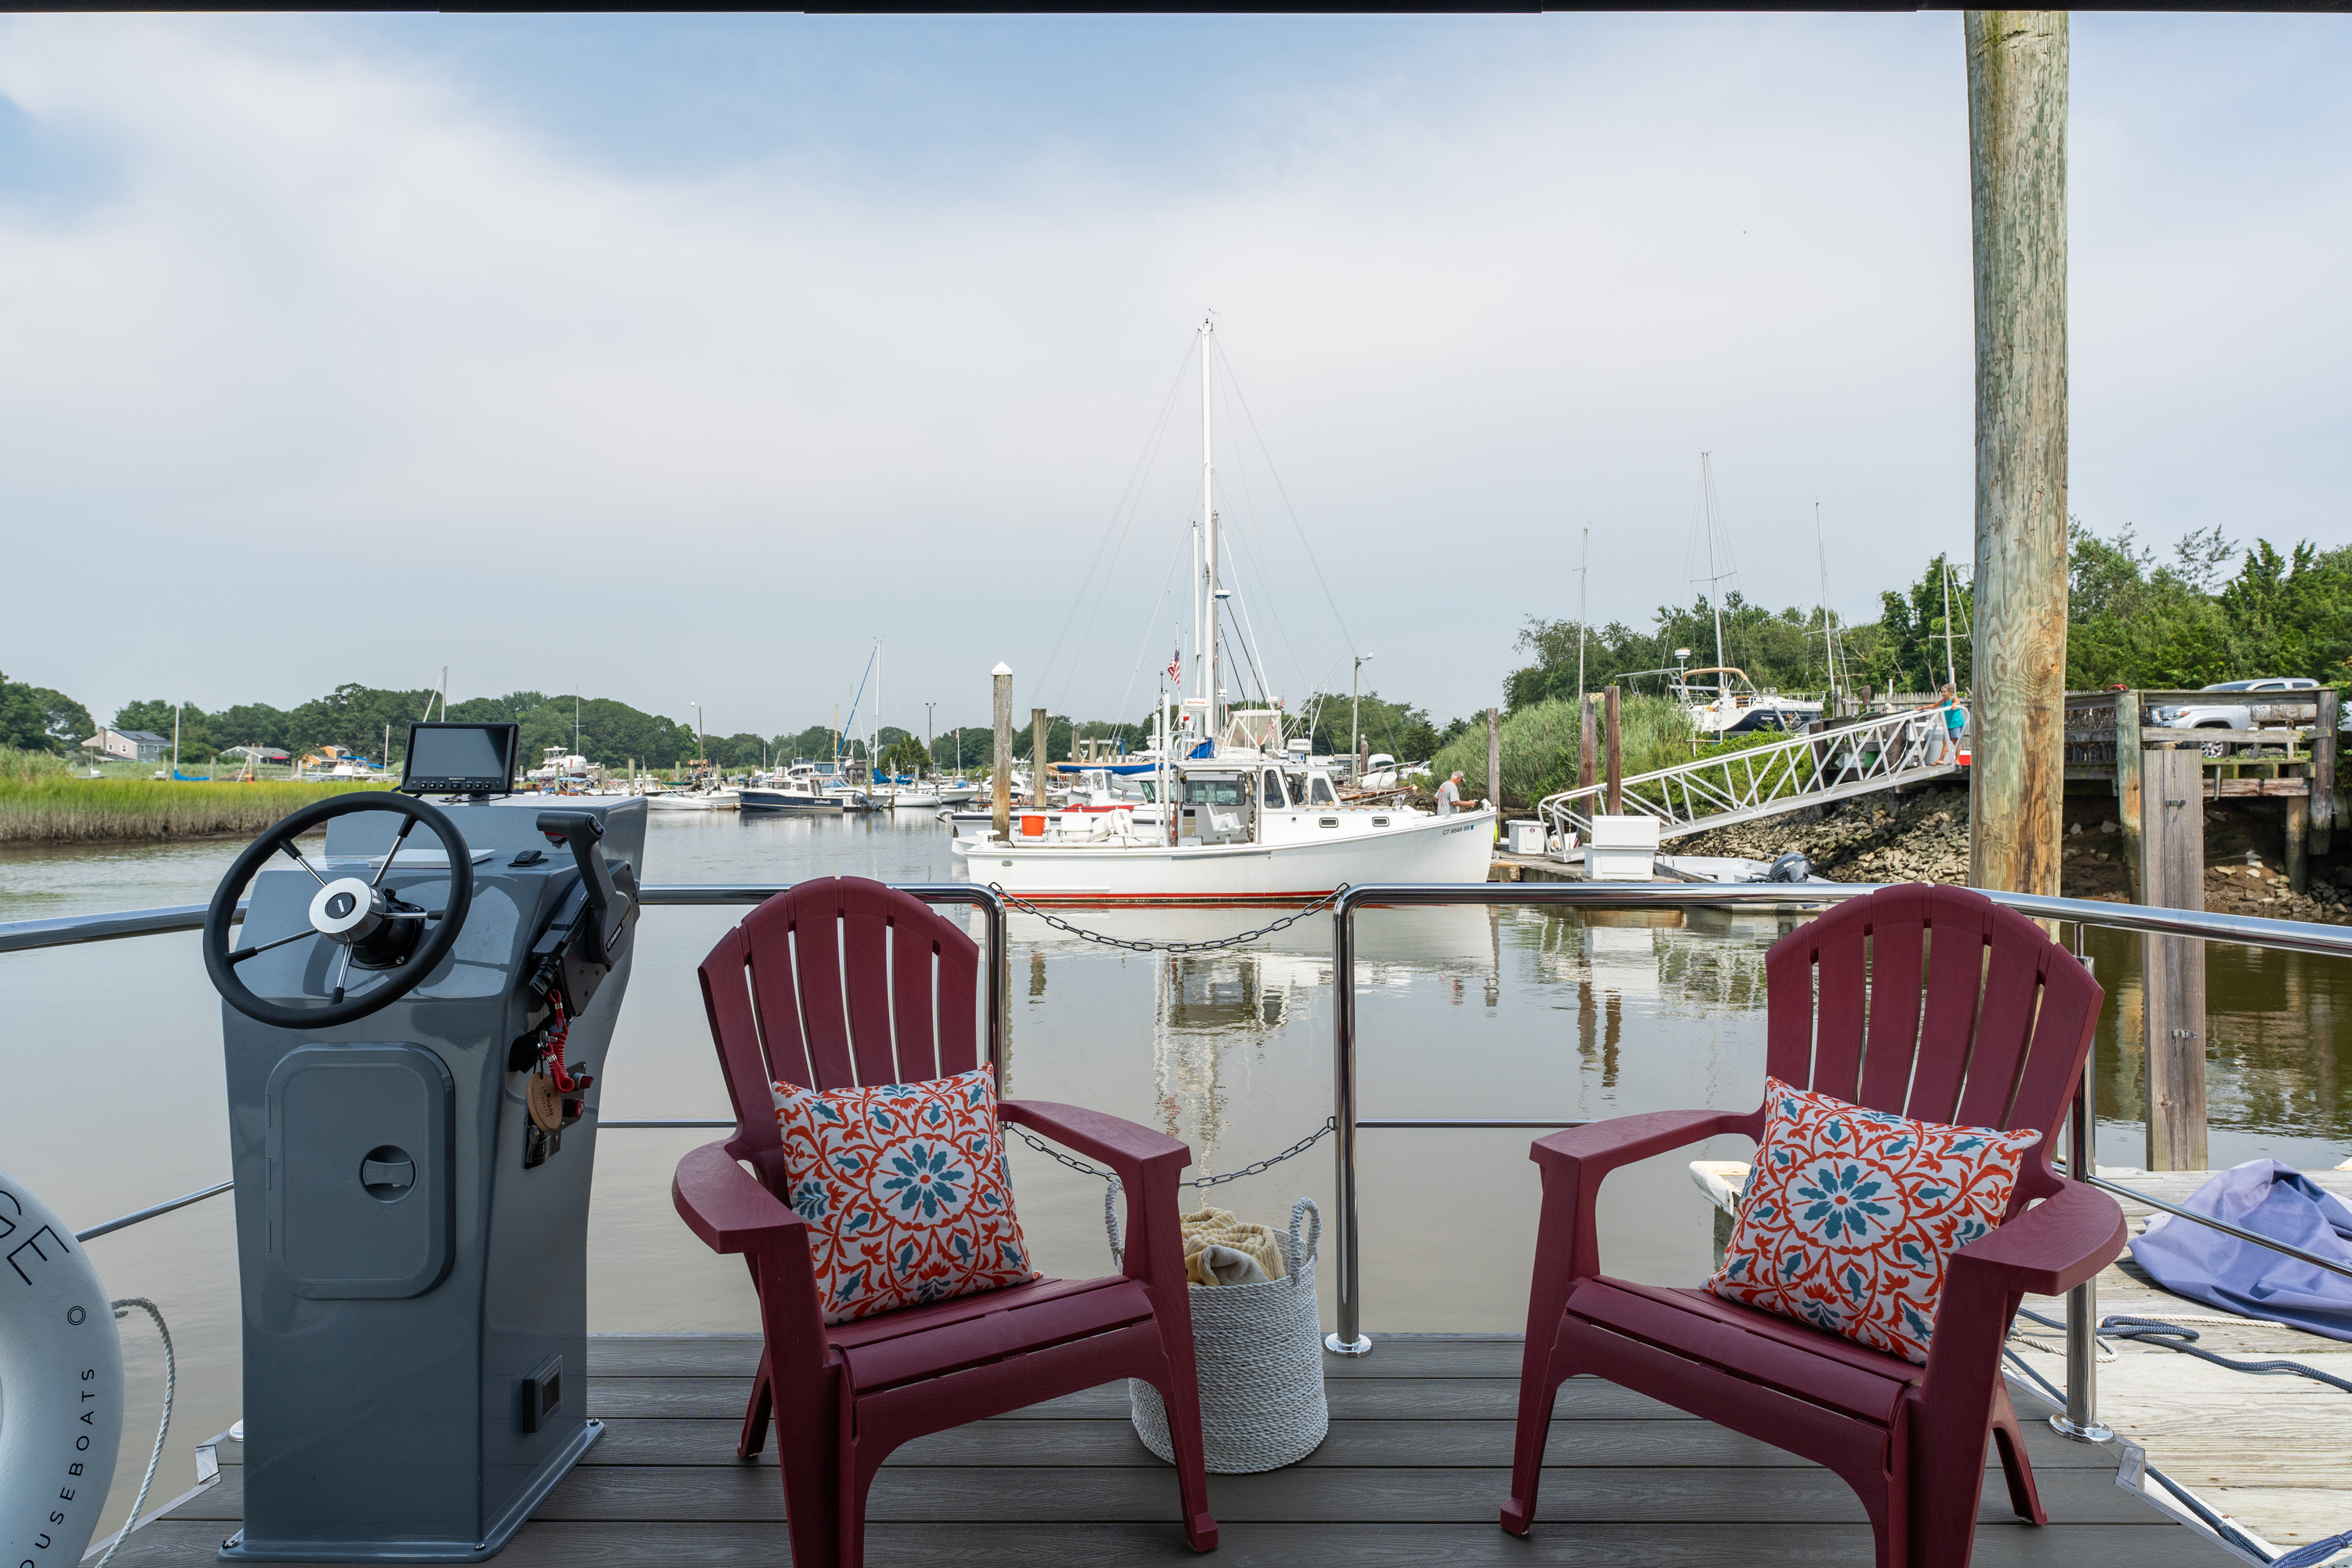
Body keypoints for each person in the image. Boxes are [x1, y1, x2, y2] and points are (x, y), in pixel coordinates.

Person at [1936, 684, 1967, 763]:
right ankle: (1941, 759)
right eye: (1942, 692)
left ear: (1950, 692)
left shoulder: (1954, 699)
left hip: (1956, 724)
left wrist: (1954, 704)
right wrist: (1921, 708)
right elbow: (1934, 705)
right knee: (1945, 741)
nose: (1943, 694)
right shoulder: (1943, 701)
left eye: (1944, 692)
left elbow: (1956, 702)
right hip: (1948, 724)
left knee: (1955, 741)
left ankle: (1957, 760)